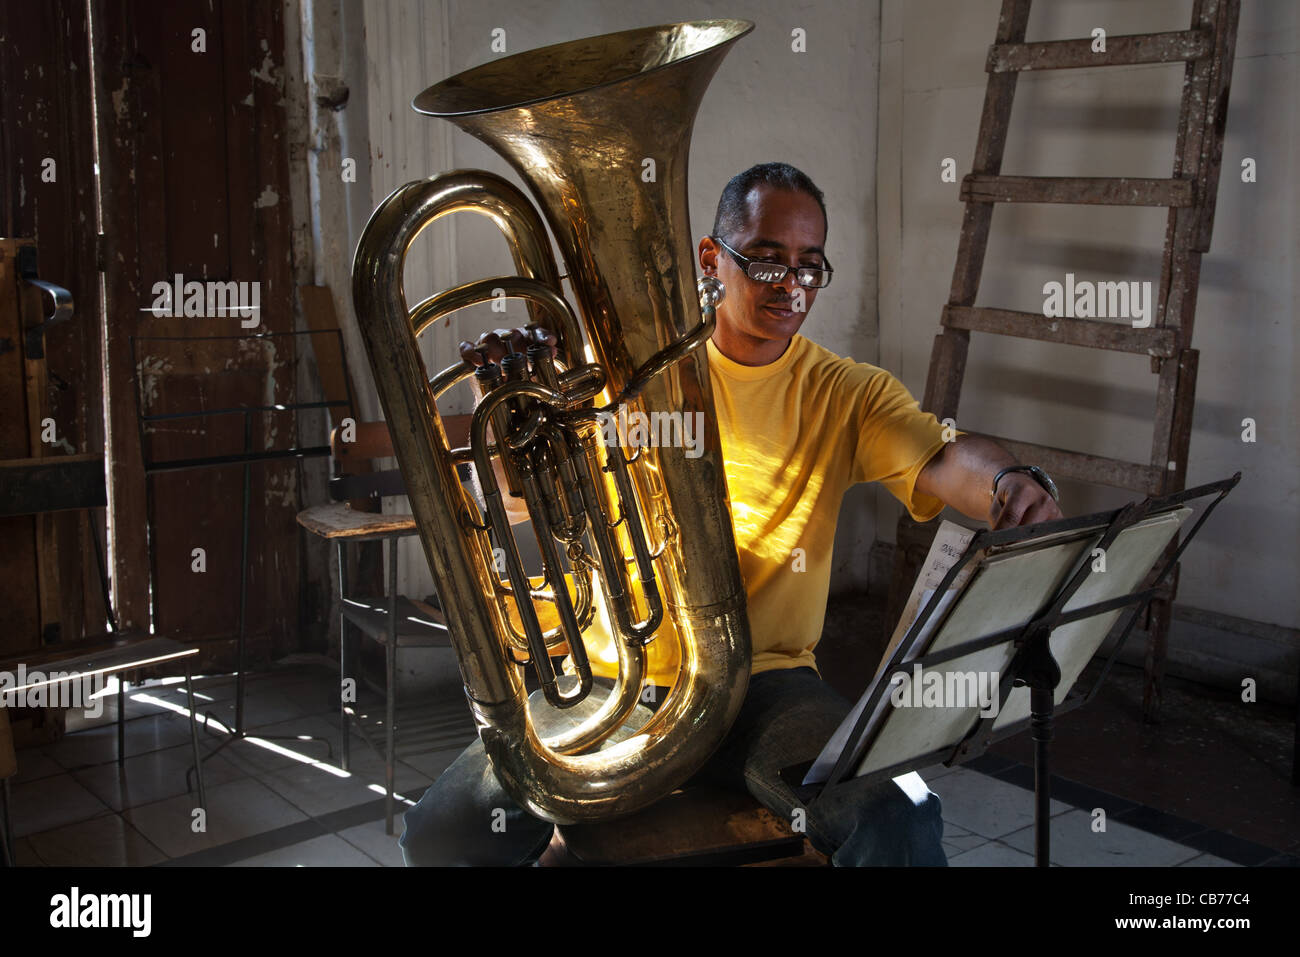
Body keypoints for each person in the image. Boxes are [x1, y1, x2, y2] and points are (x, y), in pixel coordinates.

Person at [399, 162, 1063, 866]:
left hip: (764, 683)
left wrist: (1008, 481)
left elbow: (947, 459)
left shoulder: (844, 391)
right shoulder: (611, 376)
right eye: (769, 261)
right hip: (614, 686)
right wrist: (509, 402)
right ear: (713, 260)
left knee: (900, 816)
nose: (793, 285)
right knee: (442, 832)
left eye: (811, 265)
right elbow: (511, 495)